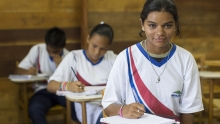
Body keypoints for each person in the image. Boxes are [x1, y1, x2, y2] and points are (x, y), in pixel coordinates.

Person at [102, 0, 204, 124]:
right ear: (142, 24)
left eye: (167, 25)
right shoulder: (126, 58)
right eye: (152, 25)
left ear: (176, 25)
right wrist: (123, 109)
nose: (160, 32)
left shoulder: (186, 59)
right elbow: (108, 105)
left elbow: (188, 111)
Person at [47, 22, 117, 124]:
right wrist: (68, 86)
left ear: (109, 46)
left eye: (103, 49)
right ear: (88, 39)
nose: (97, 52)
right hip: (90, 111)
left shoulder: (113, 59)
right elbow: (50, 85)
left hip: (113, 107)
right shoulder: (74, 57)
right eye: (94, 46)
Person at [15, 27, 78, 124]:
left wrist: (61, 66)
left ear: (63, 46)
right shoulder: (38, 50)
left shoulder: (68, 56)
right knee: (34, 108)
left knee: (76, 107)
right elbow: (18, 70)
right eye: (49, 50)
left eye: (56, 51)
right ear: (46, 44)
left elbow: (74, 79)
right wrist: (27, 72)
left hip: (62, 91)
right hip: (42, 91)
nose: (52, 54)